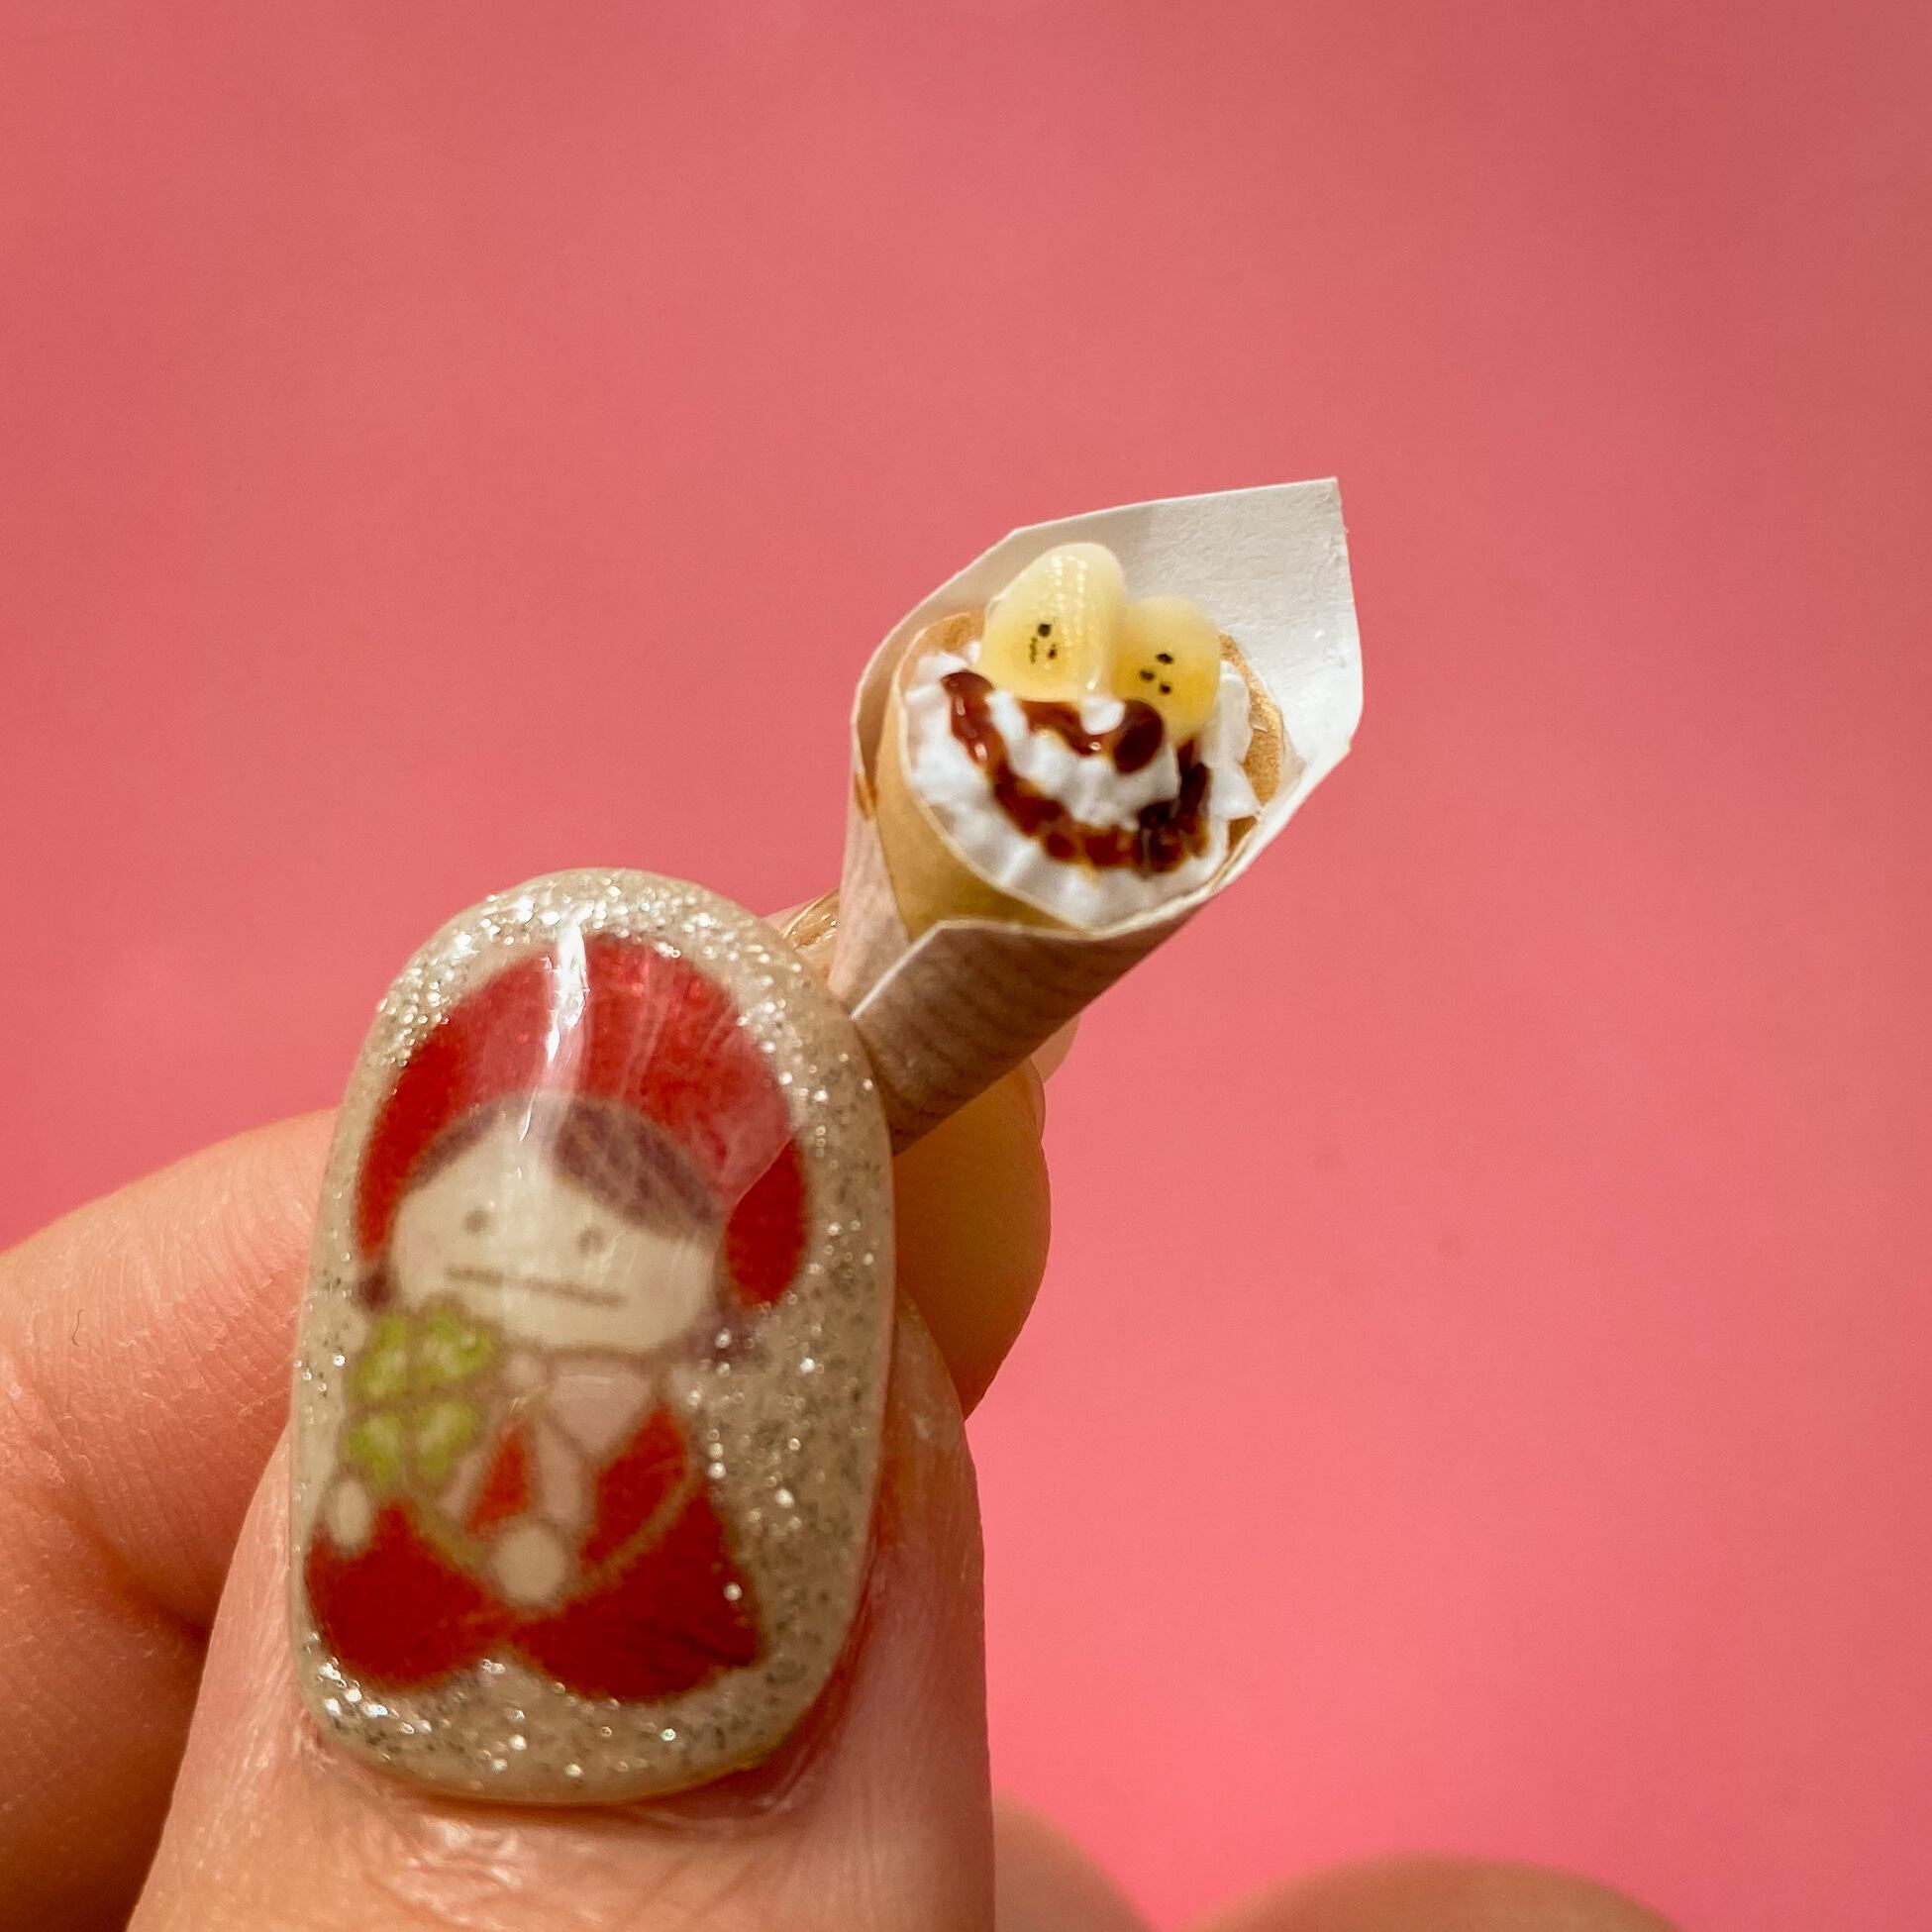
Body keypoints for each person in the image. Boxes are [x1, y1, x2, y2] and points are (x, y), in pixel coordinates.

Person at [0, 919, 1678, 1932]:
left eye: (610, 1233)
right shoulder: (422, 1383)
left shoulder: (664, 1436)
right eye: (486, 1212)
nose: (535, 1264)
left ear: (707, 1287)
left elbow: (646, 1523)